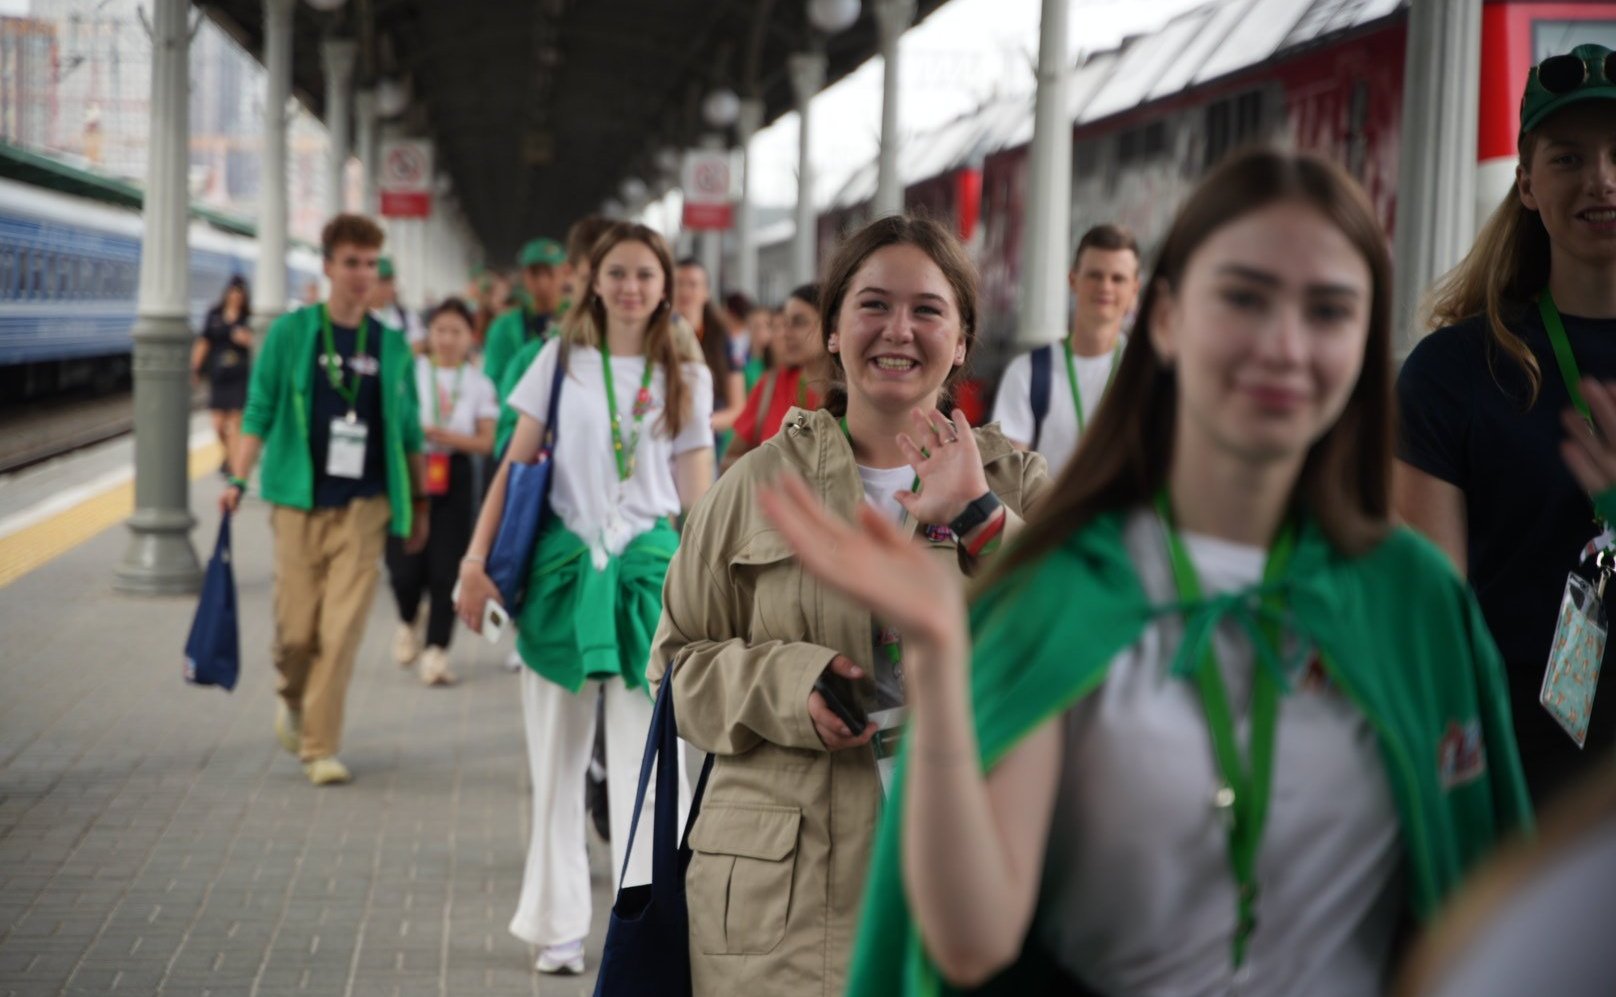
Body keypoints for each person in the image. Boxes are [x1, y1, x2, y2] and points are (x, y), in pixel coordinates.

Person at [755, 150, 1533, 995]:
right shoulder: (1064, 590)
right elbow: (972, 945)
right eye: (1243, 297)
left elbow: (1488, 912)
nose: (1284, 343)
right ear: (1163, 319)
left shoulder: (1413, 600)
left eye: (1330, 309)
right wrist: (943, 657)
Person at [649, 215, 1050, 996]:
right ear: (832, 330)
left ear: (963, 339)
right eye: (873, 305)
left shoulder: (1016, 486)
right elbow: (675, 668)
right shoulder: (755, 486)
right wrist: (787, 684)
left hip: (965, 887)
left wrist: (978, 514)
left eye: (928, 310)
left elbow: (1084, 650)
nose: (898, 330)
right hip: (780, 907)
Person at [453, 222, 715, 977]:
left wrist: (720, 588)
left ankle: (642, 927)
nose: (632, 287)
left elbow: (698, 497)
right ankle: (556, 923)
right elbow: (514, 464)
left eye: (646, 274)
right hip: (564, 577)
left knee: (655, 769)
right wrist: (476, 559)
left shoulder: (684, 378)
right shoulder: (556, 361)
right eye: (618, 273)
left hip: (651, 583)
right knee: (557, 764)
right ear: (592, 281)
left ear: (665, 284)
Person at [1397, 44, 1616, 808]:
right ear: (1526, 182)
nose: (1603, 179)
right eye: (1568, 157)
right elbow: (1433, 619)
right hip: (1512, 768)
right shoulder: (1453, 371)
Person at [222, 213, 428, 787]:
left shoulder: (390, 348)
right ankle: (291, 697)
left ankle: (320, 746)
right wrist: (238, 478)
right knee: (295, 634)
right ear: (329, 266)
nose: (363, 274)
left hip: (366, 508)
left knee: (340, 633)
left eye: (371, 265)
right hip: (296, 501)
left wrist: (418, 507)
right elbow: (259, 408)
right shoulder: (291, 334)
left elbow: (409, 432)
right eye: (352, 263)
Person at [386, 298, 497, 686]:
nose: (447, 339)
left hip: (456, 474)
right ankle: (407, 616)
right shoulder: (410, 372)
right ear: (428, 335)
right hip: (411, 471)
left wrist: (447, 436)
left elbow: (486, 442)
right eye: (440, 330)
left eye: (456, 331)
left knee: (445, 566)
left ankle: (436, 652)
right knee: (403, 566)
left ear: (471, 337)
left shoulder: (479, 383)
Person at [993, 223, 1141, 478]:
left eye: (1118, 278)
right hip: (1052, 517)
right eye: (1095, 275)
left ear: (1134, 290)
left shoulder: (1148, 370)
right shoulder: (1027, 373)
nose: (1105, 287)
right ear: (1073, 280)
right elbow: (1012, 479)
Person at [719, 282, 833, 474]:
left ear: (831, 325)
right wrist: (769, 469)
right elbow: (728, 461)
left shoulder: (854, 395)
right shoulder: (773, 384)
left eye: (799, 322)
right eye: (783, 324)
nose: (785, 333)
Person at [674, 258, 746, 451]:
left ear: (706, 293)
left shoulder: (723, 340)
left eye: (693, 284)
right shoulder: (654, 337)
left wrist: (700, 424)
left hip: (707, 444)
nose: (685, 291)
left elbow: (737, 408)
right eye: (678, 284)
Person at [484, 238, 566, 389]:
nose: (542, 281)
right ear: (524, 276)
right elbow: (493, 380)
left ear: (565, 272)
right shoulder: (503, 328)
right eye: (535, 273)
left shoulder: (582, 320)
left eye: (549, 272)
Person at [193, 275, 254, 474]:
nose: (236, 296)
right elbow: (204, 341)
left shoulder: (248, 318)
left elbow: (258, 344)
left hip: (240, 376)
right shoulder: (214, 314)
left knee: (235, 423)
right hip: (219, 377)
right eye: (233, 292)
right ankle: (229, 455)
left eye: (240, 293)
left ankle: (236, 472)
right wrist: (195, 368)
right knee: (218, 424)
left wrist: (246, 340)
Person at [369, 256, 427, 353]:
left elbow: (418, 345)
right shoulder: (356, 316)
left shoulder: (406, 316)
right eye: (381, 282)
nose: (387, 287)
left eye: (390, 282)